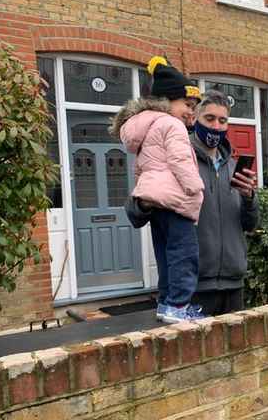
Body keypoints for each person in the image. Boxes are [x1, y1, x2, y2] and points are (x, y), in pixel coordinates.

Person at [111, 56, 205, 324]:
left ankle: (165, 303)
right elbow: (180, 160)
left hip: (155, 201)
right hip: (175, 200)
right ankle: (178, 305)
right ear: (167, 101)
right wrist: (195, 188)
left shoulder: (147, 126)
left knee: (164, 254)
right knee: (184, 255)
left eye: (194, 107)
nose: (191, 112)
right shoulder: (171, 124)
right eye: (187, 105)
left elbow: (140, 169)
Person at [189, 91, 259, 315]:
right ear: (195, 120)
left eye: (222, 120)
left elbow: (251, 224)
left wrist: (249, 198)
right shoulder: (182, 161)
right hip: (194, 284)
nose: (216, 126)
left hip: (233, 283)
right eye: (209, 119)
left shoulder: (233, 166)